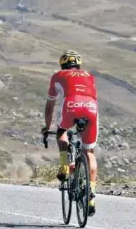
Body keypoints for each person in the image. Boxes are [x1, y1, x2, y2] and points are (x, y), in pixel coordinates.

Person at [41, 50, 99, 216]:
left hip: (71, 105)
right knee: (89, 152)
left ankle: (65, 166)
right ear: (79, 65)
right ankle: (91, 195)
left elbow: (50, 106)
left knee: (62, 132)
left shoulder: (58, 75)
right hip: (91, 107)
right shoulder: (89, 75)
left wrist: (47, 127)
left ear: (62, 64)